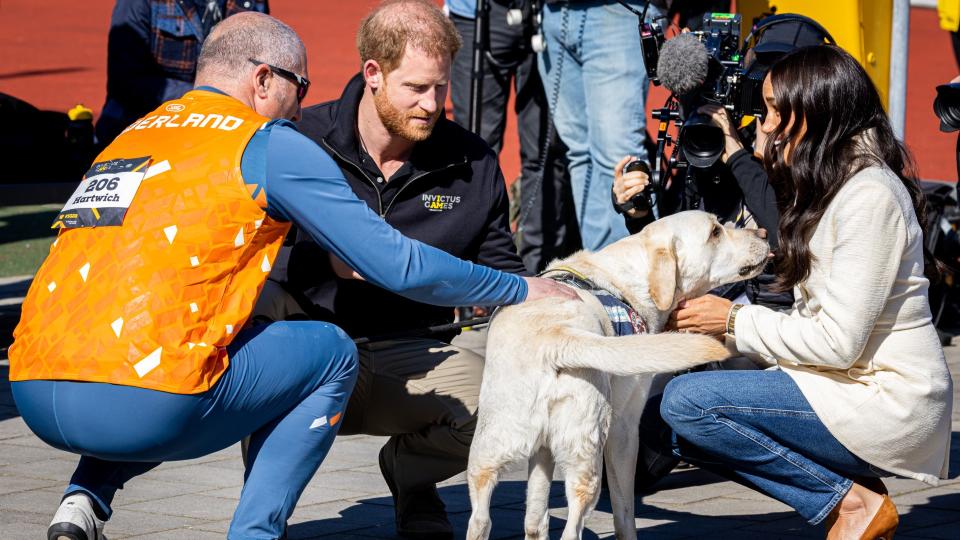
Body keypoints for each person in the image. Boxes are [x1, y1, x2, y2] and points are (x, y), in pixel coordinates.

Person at [8, 12, 576, 540]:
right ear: (262, 79)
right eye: (297, 88)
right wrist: (525, 286)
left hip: (31, 388)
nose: (300, 108)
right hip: (145, 406)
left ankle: (82, 499)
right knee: (326, 351)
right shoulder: (272, 141)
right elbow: (396, 265)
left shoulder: (135, 134)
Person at [250, 1, 527, 537]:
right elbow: (246, 249)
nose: (431, 104)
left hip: (418, 352)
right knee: (254, 322)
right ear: (372, 73)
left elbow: (501, 269)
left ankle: (410, 476)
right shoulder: (299, 140)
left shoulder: (473, 162)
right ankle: (263, 516)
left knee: (511, 407)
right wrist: (322, 261)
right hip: (314, 344)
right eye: (416, 88)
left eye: (441, 89)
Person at [659, 45, 953, 538]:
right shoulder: (831, 181)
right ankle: (851, 492)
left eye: (776, 109)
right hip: (841, 384)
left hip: (886, 397)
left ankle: (850, 504)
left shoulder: (869, 196)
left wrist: (730, 322)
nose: (766, 122)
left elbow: (838, 343)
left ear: (817, 113)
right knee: (668, 427)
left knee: (690, 403)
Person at [446, 0, 580, 272]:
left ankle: (535, 269)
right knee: (473, 150)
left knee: (545, 151)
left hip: (547, 12)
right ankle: (474, 267)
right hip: (476, 15)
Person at [538, 0, 665, 251]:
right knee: (579, 155)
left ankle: (642, 278)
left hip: (616, 12)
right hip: (553, 14)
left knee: (618, 157)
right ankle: (601, 275)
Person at [95, 0, 269, 146]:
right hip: (143, 125)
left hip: (216, 126)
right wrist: (207, 96)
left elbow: (262, 69)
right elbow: (125, 81)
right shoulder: (139, 3)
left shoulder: (253, 3)